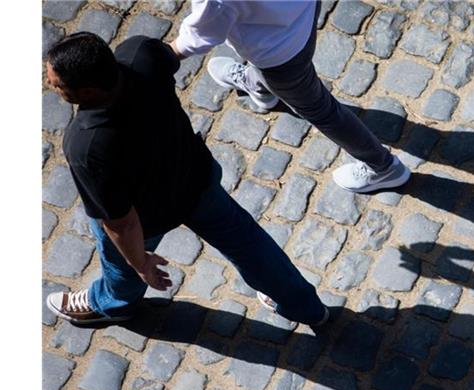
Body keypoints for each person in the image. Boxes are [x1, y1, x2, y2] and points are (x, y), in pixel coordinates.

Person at [44, 32, 329, 327]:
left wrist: (141, 264)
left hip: (146, 217)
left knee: (121, 262)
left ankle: (114, 305)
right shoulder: (141, 54)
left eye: (57, 84)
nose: (50, 84)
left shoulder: (85, 144)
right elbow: (172, 53)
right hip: (195, 179)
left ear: (88, 91)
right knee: (250, 246)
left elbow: (121, 223)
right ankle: (306, 308)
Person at [170, 0, 411, 193]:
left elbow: (198, 37)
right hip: (301, 14)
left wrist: (154, 56)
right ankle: (260, 86)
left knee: (322, 111)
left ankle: (383, 167)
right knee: (285, 77)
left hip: (278, 56)